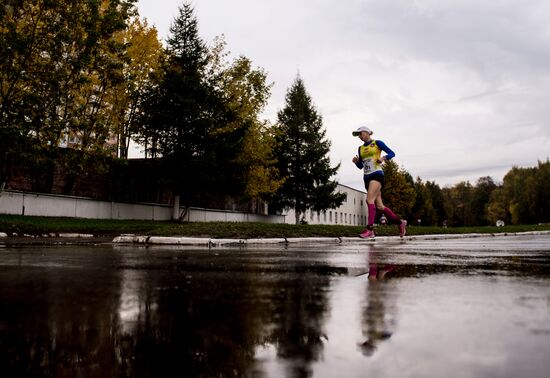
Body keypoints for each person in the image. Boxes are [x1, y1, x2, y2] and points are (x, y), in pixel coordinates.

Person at [352, 125, 407, 239]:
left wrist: (383, 158)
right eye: (358, 135)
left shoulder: (377, 143)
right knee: (380, 206)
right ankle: (400, 223)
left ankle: (370, 229)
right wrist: (357, 162)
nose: (359, 137)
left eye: (360, 134)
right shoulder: (360, 148)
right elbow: (361, 166)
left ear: (367, 133)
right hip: (366, 177)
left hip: (377, 175)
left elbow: (392, 153)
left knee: (369, 200)